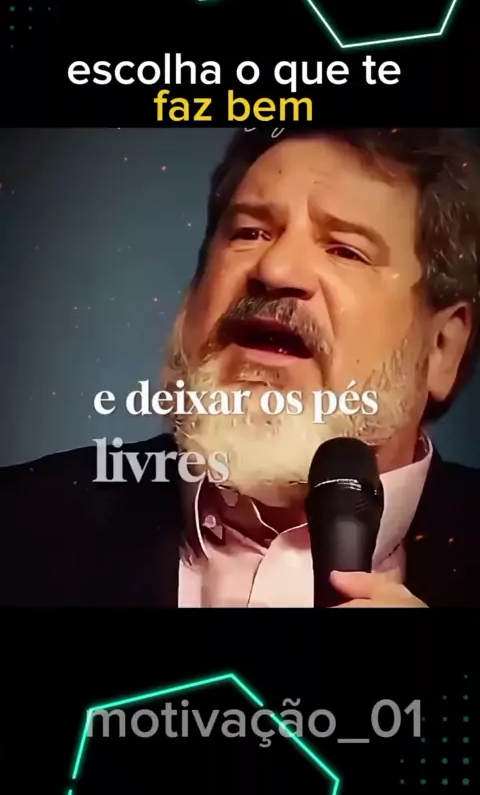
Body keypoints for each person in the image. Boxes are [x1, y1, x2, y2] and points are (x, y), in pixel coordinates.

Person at [1, 126, 480, 607]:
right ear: (191, 298)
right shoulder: (22, 523)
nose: (275, 269)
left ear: (442, 347)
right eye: (249, 233)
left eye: (345, 250)